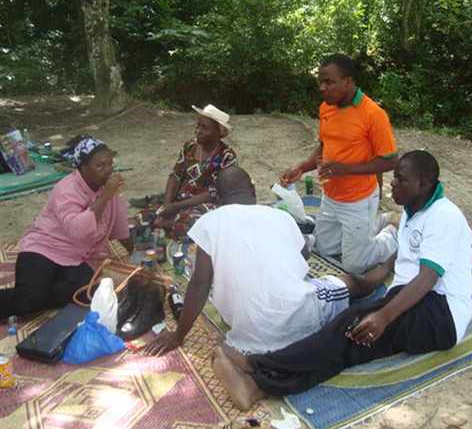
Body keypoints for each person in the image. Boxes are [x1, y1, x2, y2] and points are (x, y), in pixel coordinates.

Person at [212, 151, 472, 410]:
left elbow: (427, 278)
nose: (393, 183)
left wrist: (384, 316)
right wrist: (379, 277)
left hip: (440, 314)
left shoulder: (444, 216)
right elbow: (405, 258)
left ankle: (255, 366)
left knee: (350, 329)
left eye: (401, 179)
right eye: (395, 176)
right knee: (350, 340)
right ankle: (256, 386)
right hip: (414, 298)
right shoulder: (412, 210)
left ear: (425, 183)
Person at [143, 166, 391, 356]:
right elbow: (304, 255)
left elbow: (199, 285)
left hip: (247, 329)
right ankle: (387, 266)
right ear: (252, 192)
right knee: (349, 281)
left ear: (217, 199)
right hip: (298, 317)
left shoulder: (208, 222)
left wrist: (178, 335)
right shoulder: (279, 216)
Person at [280, 54, 398, 274]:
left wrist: (346, 170)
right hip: (331, 196)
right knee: (325, 249)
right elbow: (324, 145)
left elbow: (390, 160)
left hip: (359, 198)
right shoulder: (327, 108)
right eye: (320, 82)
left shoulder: (373, 114)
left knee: (355, 265)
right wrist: (302, 167)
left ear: (348, 82)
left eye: (329, 82)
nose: (322, 88)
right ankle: (372, 225)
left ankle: (391, 230)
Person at [0, 136, 130, 319]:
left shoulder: (106, 189)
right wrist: (105, 197)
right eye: (100, 166)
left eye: (110, 164)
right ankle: (35, 294)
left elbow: (118, 222)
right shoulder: (66, 189)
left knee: (90, 293)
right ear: (83, 167)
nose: (108, 170)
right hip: (44, 248)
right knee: (28, 301)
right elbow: (78, 230)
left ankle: (42, 291)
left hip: (77, 256)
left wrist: (133, 253)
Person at [141, 104, 237, 239]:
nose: (198, 131)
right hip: (179, 199)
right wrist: (167, 204)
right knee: (143, 217)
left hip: (204, 204)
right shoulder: (190, 146)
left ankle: (165, 226)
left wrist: (175, 207)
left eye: (205, 128)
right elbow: (175, 176)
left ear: (219, 132)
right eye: (198, 126)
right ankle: (165, 225)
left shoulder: (227, 156)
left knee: (194, 224)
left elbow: (214, 193)